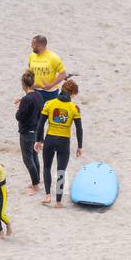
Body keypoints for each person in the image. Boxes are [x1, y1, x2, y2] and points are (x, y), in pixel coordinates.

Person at [36, 78, 83, 208]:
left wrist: (38, 140)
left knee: (46, 167)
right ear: (72, 93)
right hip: (64, 142)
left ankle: (47, 195)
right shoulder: (74, 108)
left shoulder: (49, 104)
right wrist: (80, 146)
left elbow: (40, 124)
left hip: (50, 139)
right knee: (61, 170)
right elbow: (79, 128)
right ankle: (58, 202)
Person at [14, 70, 45, 193]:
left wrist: (18, 107)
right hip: (37, 130)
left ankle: (35, 185)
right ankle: (37, 181)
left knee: (28, 159)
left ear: (24, 85)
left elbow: (19, 116)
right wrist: (22, 101)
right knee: (34, 156)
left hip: (27, 132)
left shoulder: (27, 99)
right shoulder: (38, 95)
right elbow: (32, 103)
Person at [28, 35, 67, 100]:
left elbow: (63, 74)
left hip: (50, 92)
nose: (31, 46)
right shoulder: (31, 56)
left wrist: (51, 85)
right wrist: (30, 85)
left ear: (40, 46)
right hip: (35, 90)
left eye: (33, 44)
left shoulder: (53, 57)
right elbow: (30, 72)